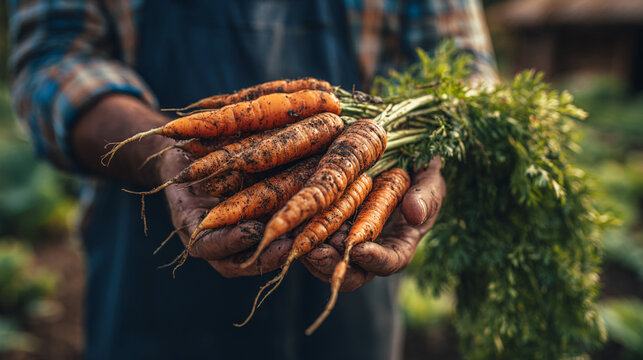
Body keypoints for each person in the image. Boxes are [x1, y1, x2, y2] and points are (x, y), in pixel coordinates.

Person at [8, 1, 496, 359]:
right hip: (148, 284)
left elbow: (463, 67)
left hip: (353, 244)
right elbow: (52, 57)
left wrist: (426, 160)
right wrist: (159, 151)